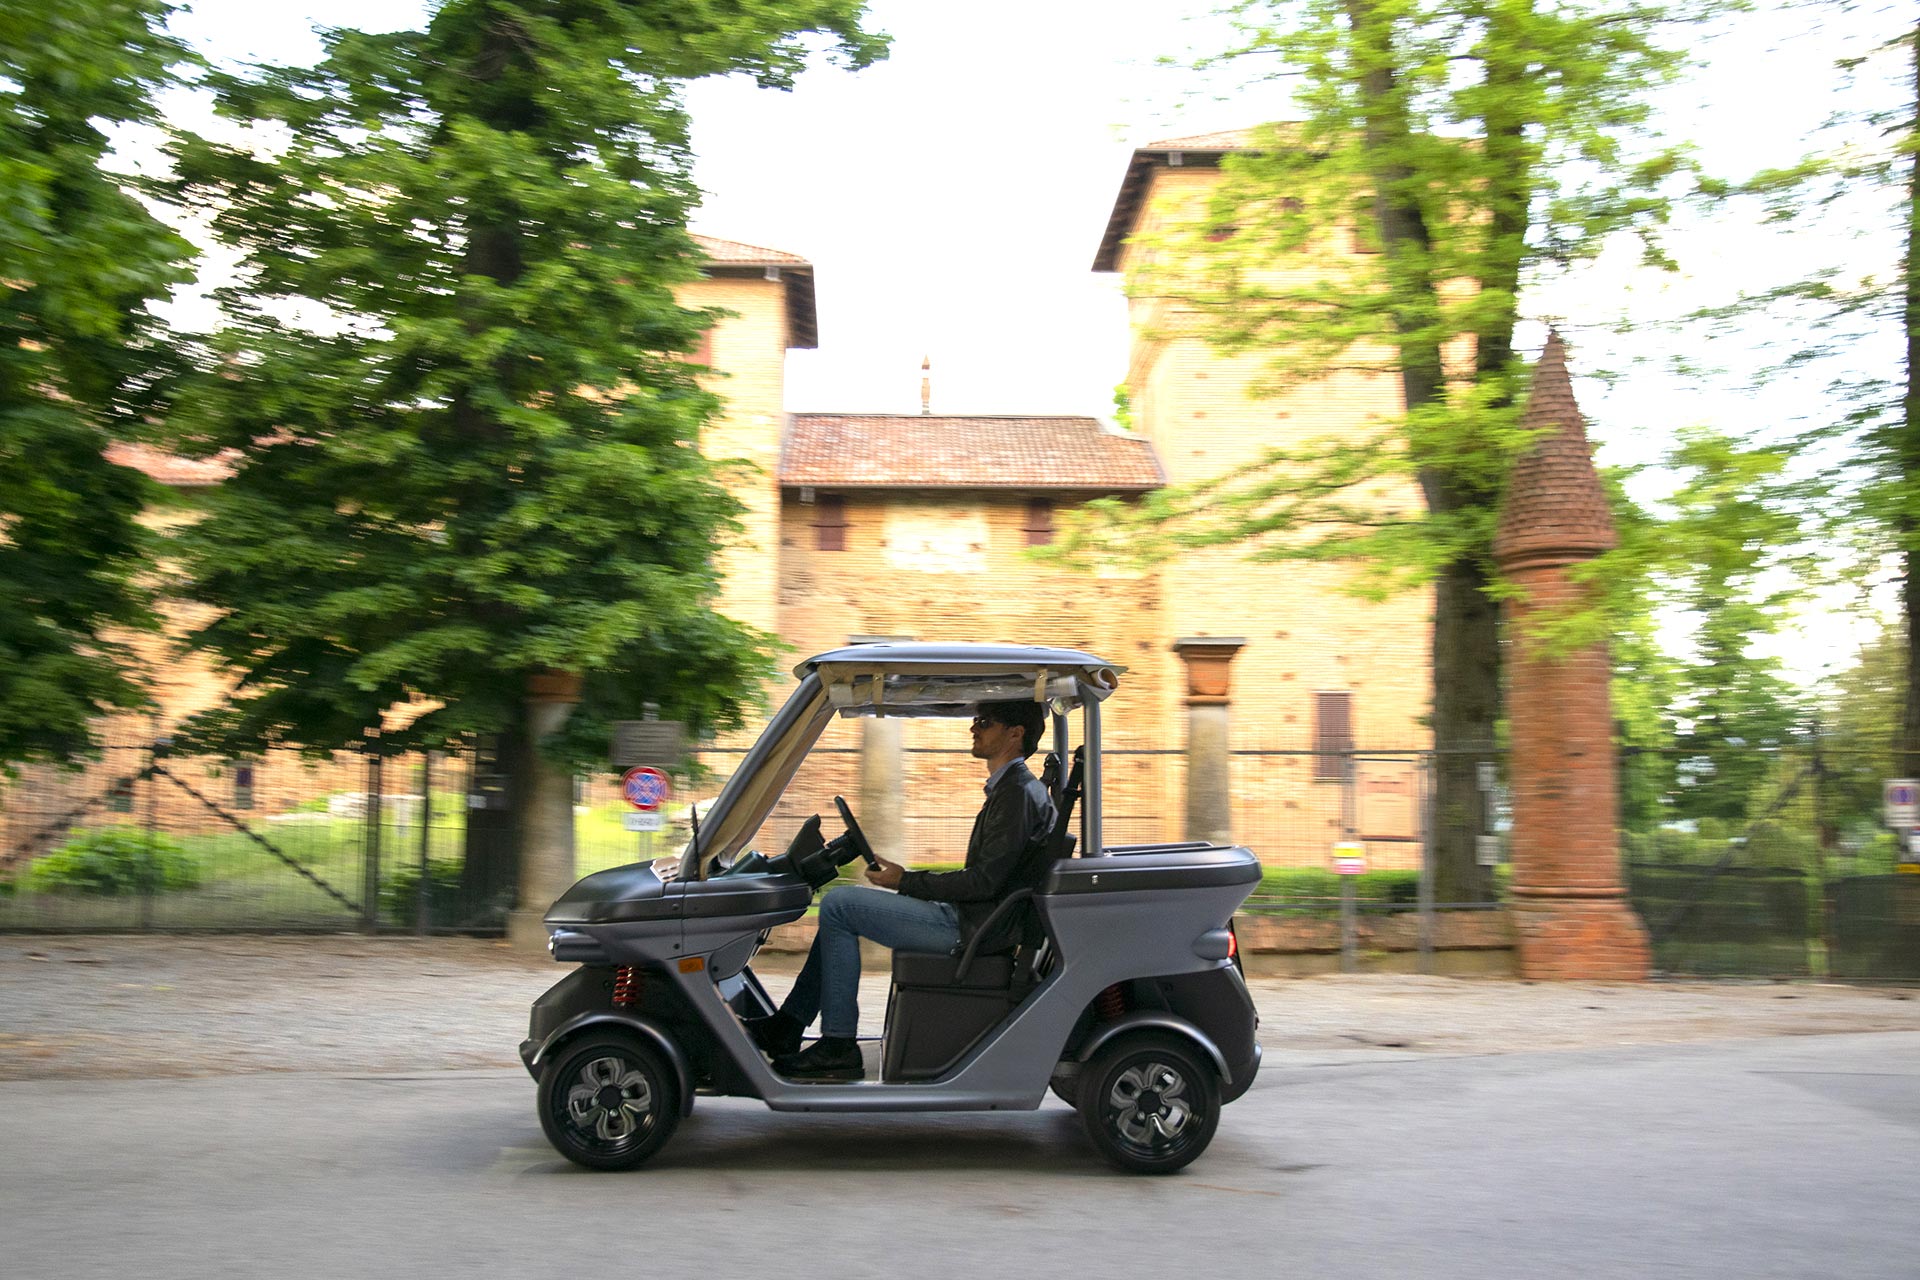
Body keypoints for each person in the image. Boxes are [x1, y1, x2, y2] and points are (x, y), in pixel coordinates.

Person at [747, 698, 1056, 1080]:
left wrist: (905, 881)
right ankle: (789, 1026)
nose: (973, 728)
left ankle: (838, 1043)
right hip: (975, 919)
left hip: (970, 929)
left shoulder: (1017, 794)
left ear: (1015, 733)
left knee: (840, 905)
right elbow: (987, 876)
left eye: (984, 721)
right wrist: (906, 879)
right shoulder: (1012, 789)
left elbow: (984, 881)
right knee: (839, 911)